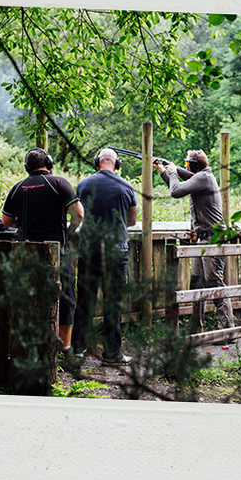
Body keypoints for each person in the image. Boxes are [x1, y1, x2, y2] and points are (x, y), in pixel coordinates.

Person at [2, 147, 84, 371]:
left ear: (27, 167)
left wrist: (28, 224)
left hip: (27, 254)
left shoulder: (17, 187)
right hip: (58, 253)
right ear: (48, 162)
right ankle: (65, 351)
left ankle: (31, 348)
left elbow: (6, 222)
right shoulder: (59, 183)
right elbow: (79, 214)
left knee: (31, 301)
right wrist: (67, 235)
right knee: (66, 300)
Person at [153, 150, 234, 334]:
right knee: (197, 283)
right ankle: (195, 329)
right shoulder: (201, 177)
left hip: (213, 239)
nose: (186, 166)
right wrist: (162, 171)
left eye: (187, 163)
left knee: (215, 283)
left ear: (194, 166)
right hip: (203, 238)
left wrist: (173, 172)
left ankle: (228, 331)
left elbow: (175, 191)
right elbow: (179, 188)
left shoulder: (204, 178)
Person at [72, 148, 138, 365]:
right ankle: (112, 354)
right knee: (113, 303)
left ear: (96, 162)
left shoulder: (83, 184)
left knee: (84, 300)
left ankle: (78, 349)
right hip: (116, 251)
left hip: (89, 249)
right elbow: (132, 221)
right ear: (116, 164)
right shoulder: (127, 187)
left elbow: (78, 214)